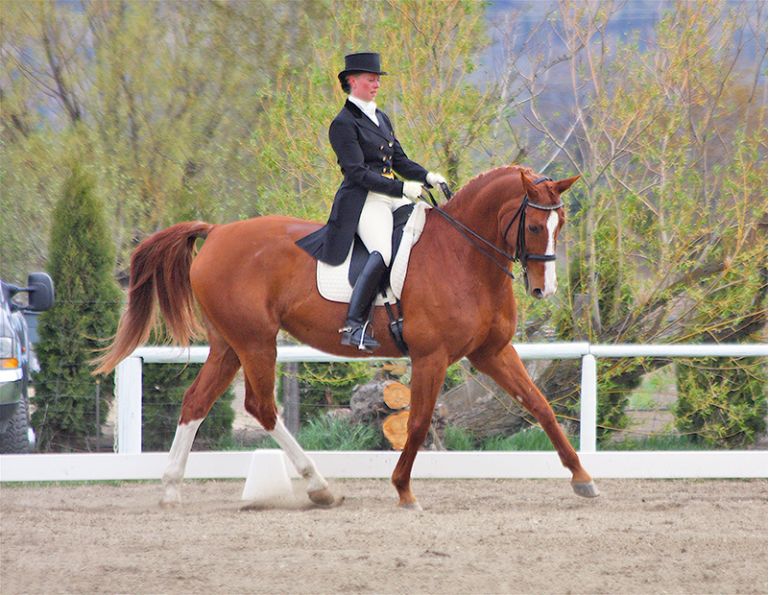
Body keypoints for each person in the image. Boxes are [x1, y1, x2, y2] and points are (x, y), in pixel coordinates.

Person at [297, 52, 446, 352]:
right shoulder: (343, 123)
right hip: (364, 199)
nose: (376, 83)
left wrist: (427, 176)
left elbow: (399, 160)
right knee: (383, 251)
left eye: (378, 79)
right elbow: (356, 172)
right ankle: (354, 324)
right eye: (370, 78)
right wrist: (402, 188)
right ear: (352, 81)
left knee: (424, 236)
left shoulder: (381, 117)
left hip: (391, 195)